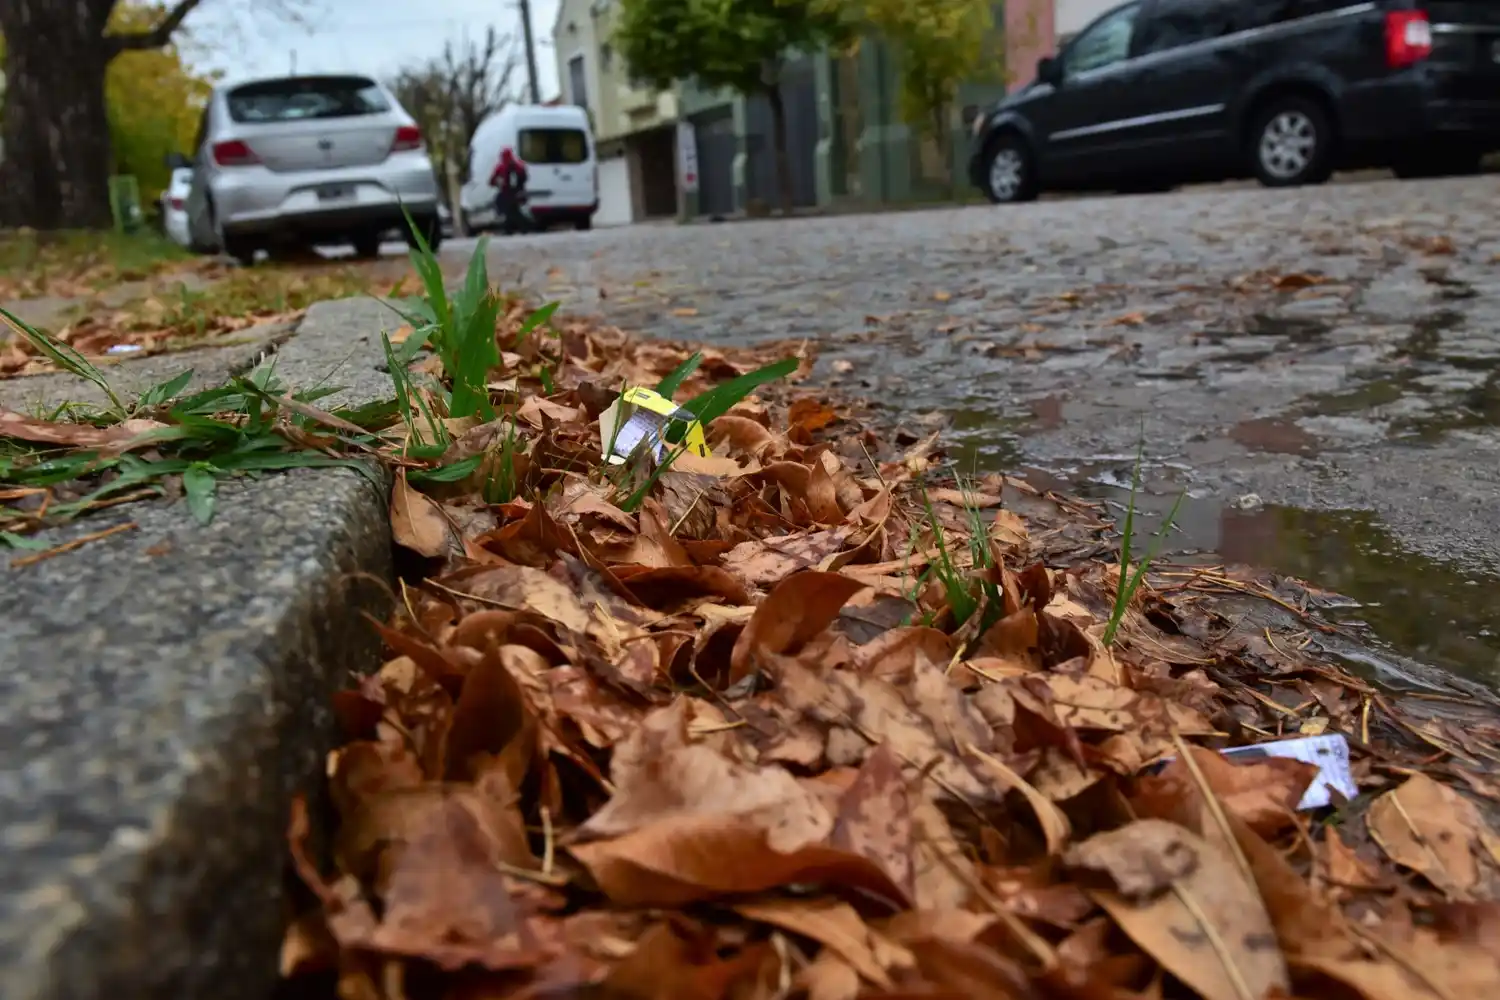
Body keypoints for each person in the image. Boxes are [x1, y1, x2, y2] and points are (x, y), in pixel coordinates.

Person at [489, 146, 529, 234]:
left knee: (509, 211)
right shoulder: (518, 165)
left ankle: (512, 228)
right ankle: (516, 228)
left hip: (506, 193)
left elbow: (492, 181)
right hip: (516, 193)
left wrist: (498, 183)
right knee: (513, 211)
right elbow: (525, 177)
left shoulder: (501, 167)